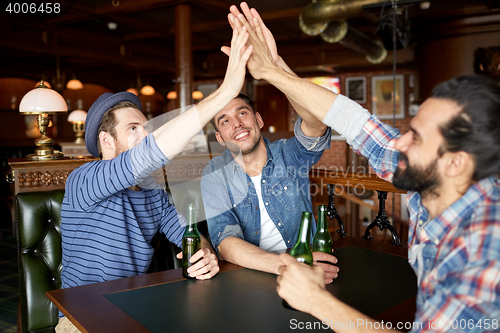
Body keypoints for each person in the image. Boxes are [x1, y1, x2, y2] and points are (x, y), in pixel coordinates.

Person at [230, 3, 500, 332]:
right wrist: (273, 71)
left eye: (414, 138)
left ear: (455, 163)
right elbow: (356, 123)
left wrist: (315, 300)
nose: (398, 143)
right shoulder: (436, 183)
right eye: (223, 120)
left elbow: (316, 127)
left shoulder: (483, 249)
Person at [57, 25, 253, 332]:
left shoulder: (152, 193)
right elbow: (148, 155)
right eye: (133, 129)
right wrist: (225, 92)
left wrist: (202, 250)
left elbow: (185, 231)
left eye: (145, 127)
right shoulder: (83, 180)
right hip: (80, 317)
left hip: (133, 309)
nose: (145, 134)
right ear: (108, 141)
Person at [200, 4, 339, 283]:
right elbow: (225, 240)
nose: (236, 123)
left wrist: (276, 69)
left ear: (259, 120)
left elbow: (316, 124)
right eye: (224, 121)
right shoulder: (214, 174)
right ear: (220, 138)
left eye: (242, 113)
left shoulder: (289, 154)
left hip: (309, 273)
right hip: (249, 275)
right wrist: (287, 266)